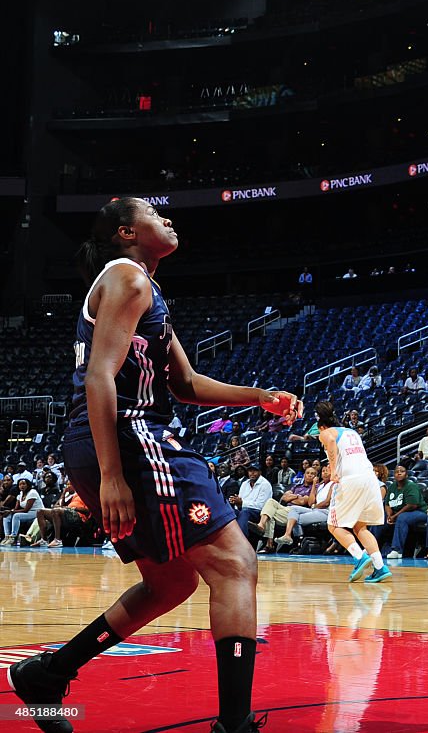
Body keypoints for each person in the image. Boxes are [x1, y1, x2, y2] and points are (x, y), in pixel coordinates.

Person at [8, 197, 301, 733]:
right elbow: (99, 376)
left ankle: (47, 675)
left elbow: (185, 385)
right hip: (131, 439)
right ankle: (234, 726)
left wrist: (259, 395)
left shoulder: (143, 286)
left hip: (116, 439)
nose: (167, 218)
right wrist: (113, 472)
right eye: (152, 212)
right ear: (126, 231)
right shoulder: (127, 278)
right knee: (235, 564)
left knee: (169, 585)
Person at [317, 402, 390, 582]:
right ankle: (380, 567)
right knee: (359, 526)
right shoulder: (352, 432)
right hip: (370, 478)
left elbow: (331, 441)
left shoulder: (326, 433)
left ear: (321, 425)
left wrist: (333, 471)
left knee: (333, 526)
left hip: (350, 480)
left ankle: (359, 556)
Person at [384, 464, 428, 559]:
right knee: (380, 517)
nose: (399, 473)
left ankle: (397, 550)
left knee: (402, 518)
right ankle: (372, 547)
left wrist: (394, 516)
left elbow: (412, 505)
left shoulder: (411, 486)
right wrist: (389, 515)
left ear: (406, 474)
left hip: (419, 512)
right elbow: (387, 503)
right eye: (396, 471)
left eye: (402, 471)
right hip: (397, 512)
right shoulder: (392, 486)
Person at [230, 464, 272, 534]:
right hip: (243, 509)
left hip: (259, 513)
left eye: (255, 471)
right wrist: (236, 502)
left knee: (244, 512)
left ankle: (242, 539)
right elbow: (240, 500)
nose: (252, 473)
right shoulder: (244, 484)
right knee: (230, 512)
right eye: (250, 471)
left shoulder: (265, 484)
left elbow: (261, 506)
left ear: (260, 472)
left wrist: (242, 503)